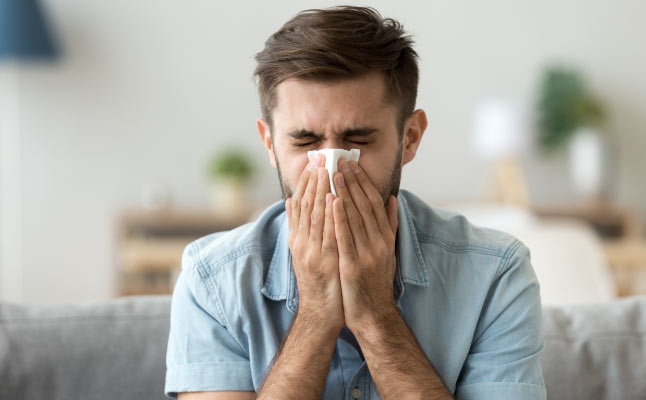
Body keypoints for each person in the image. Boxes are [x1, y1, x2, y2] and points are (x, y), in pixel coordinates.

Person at [165, 5, 546, 400]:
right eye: (305, 142)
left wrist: (375, 316)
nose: (331, 171)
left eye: (359, 140)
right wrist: (314, 316)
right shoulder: (211, 282)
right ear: (269, 144)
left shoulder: (496, 275)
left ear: (410, 137)